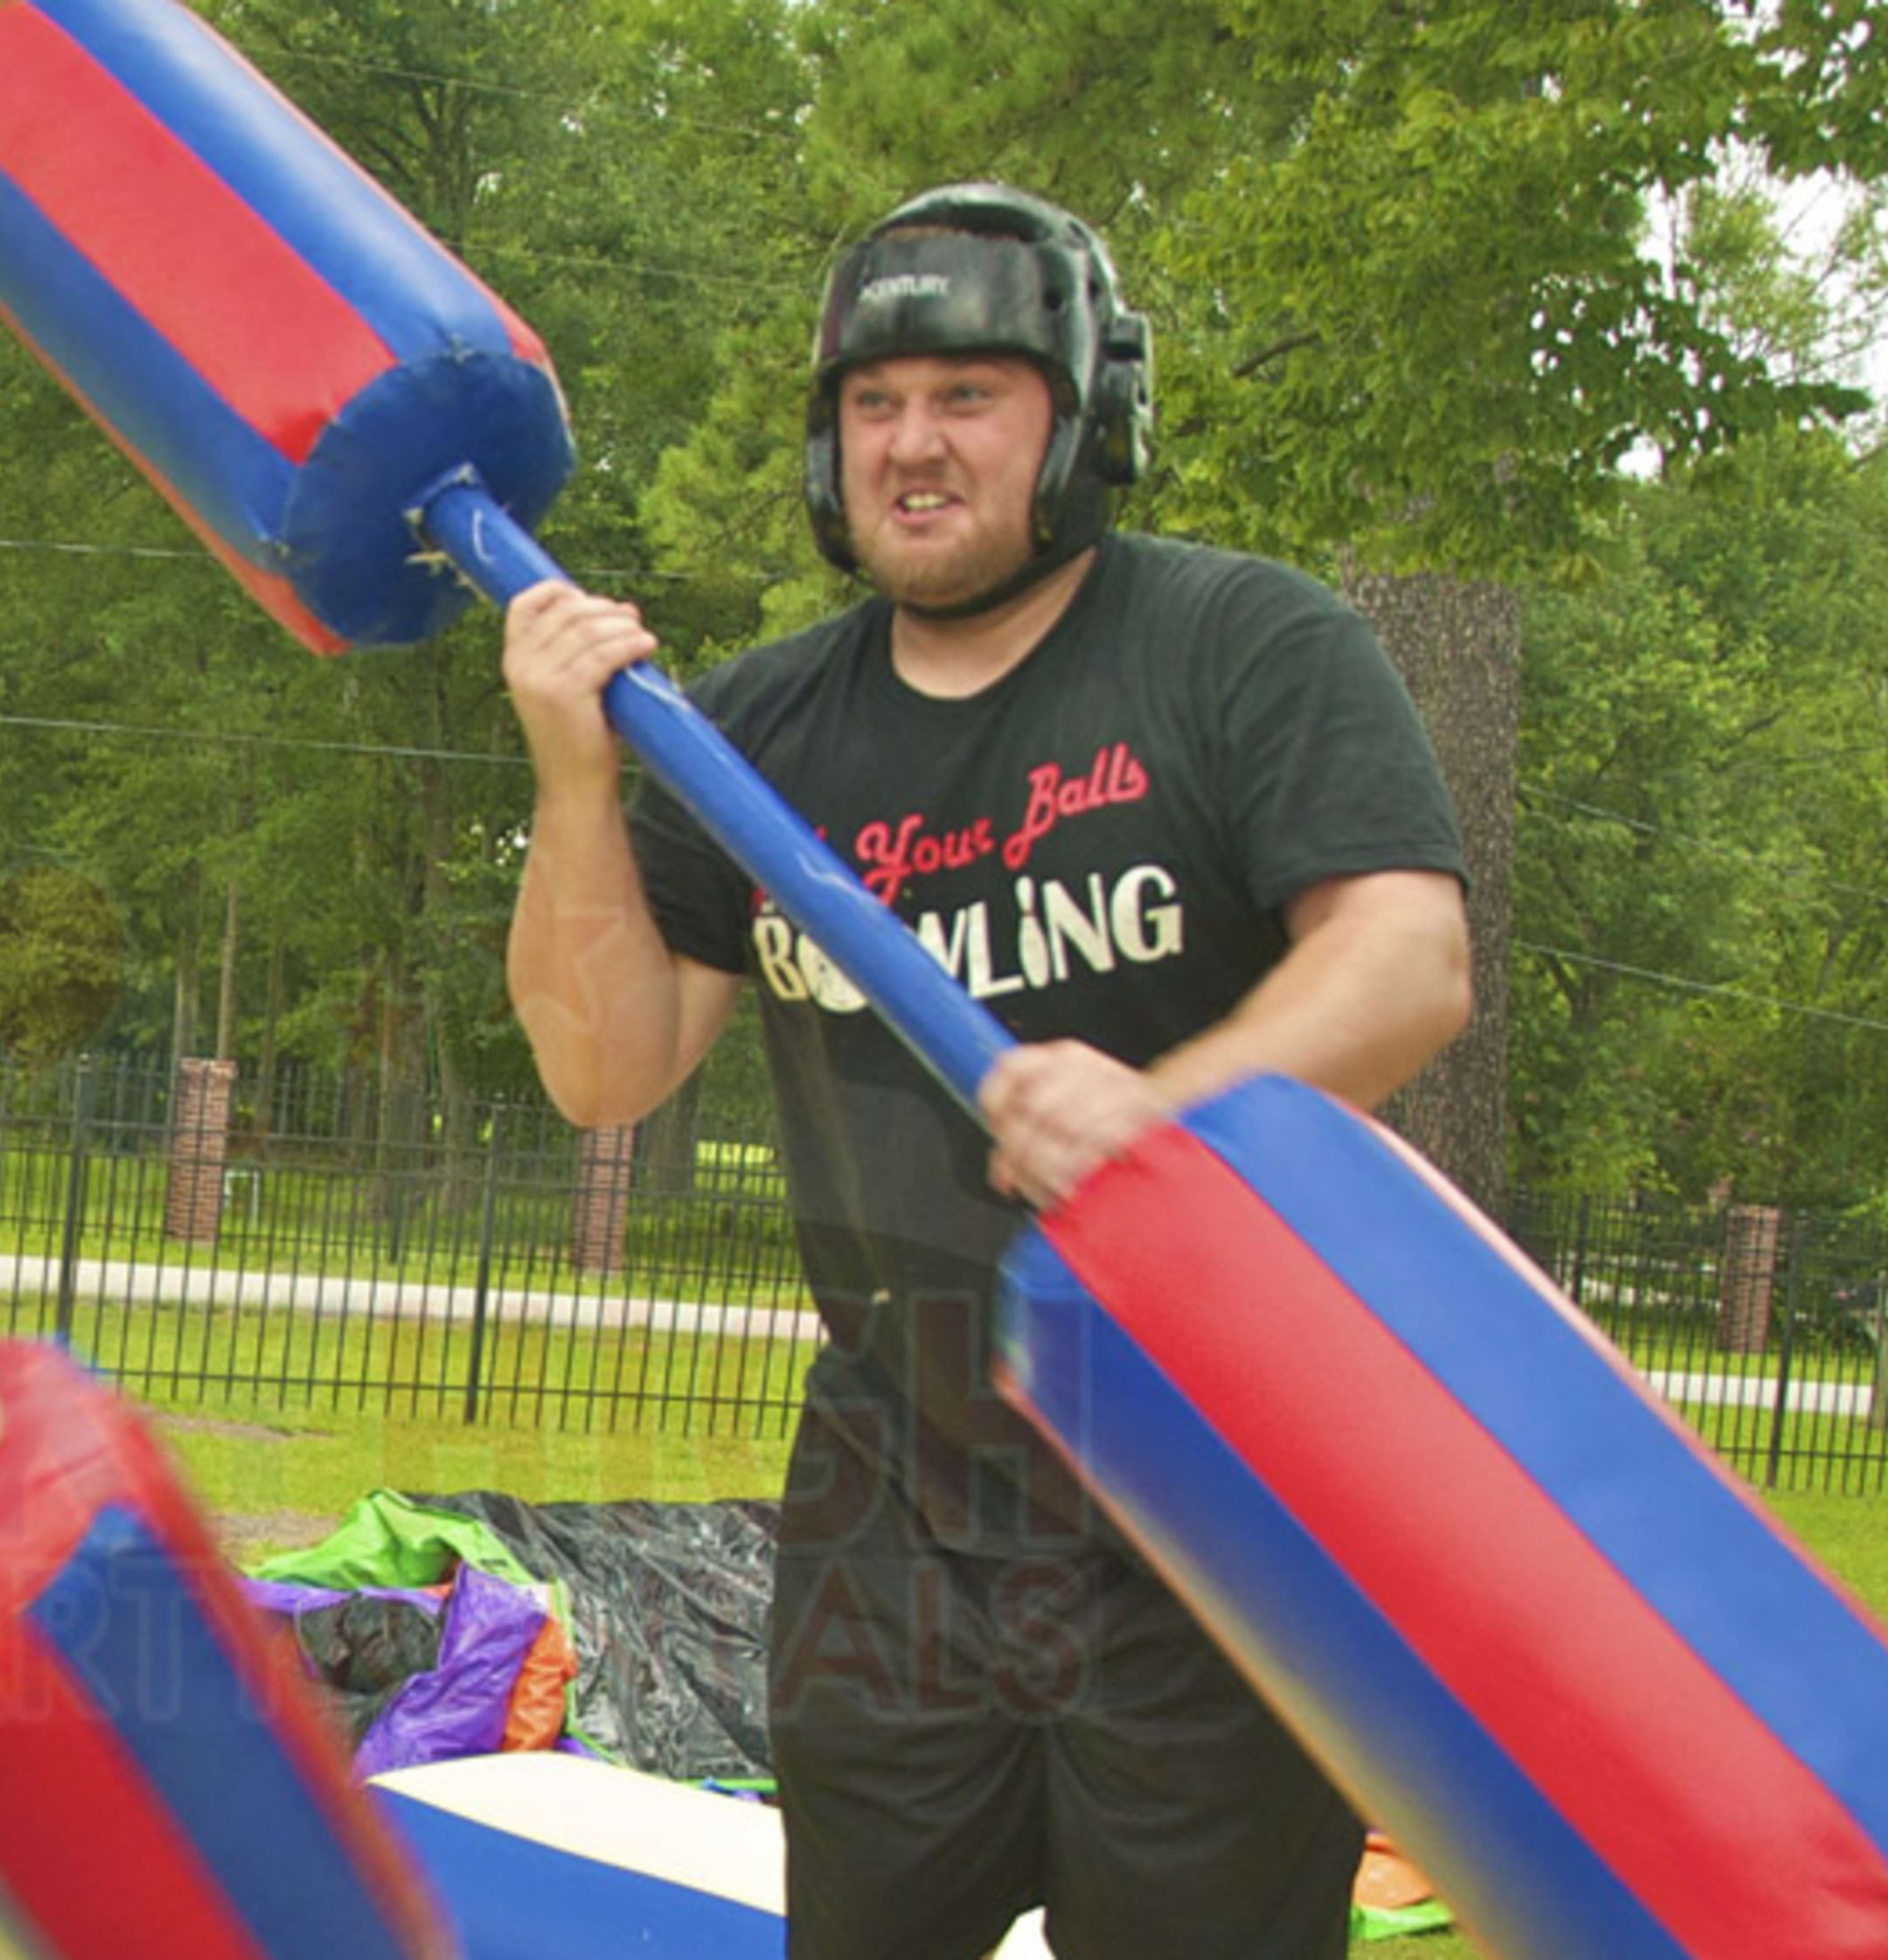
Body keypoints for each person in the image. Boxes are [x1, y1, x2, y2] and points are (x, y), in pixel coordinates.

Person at [498, 181, 1472, 1959]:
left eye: (969, 394)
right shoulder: (758, 734)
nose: (914, 445)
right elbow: (602, 1067)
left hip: (1226, 1500)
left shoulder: (1243, 646)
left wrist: (1168, 1102)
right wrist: (574, 777)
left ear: (1083, 420)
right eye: (875, 404)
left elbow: (1408, 956)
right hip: (901, 1496)